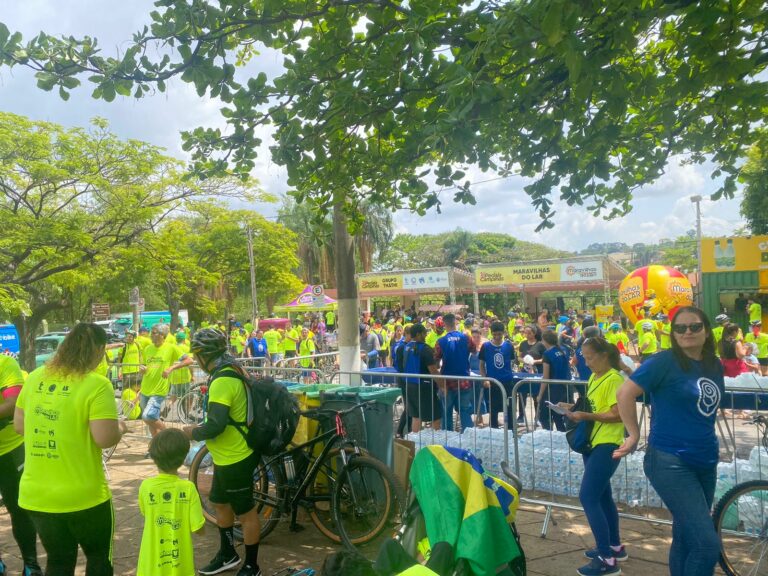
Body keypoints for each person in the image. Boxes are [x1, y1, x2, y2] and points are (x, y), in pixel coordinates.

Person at [614, 306, 724, 576]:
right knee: (707, 545)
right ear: (672, 333)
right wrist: (634, 433)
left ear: (706, 331)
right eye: (680, 328)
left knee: (687, 536)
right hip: (669, 461)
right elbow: (625, 393)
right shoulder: (664, 362)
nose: (687, 332)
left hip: (705, 459)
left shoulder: (713, 363)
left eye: (695, 327)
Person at [14, 323, 124, 576]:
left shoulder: (35, 377)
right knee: (98, 560)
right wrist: (121, 428)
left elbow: (20, 426)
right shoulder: (97, 385)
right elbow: (104, 438)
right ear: (97, 350)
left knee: (59, 562)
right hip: (84, 496)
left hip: (37, 495)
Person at [183, 329, 262, 576]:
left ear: (205, 355)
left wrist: (191, 432)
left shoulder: (223, 380)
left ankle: (252, 565)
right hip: (225, 455)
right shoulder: (229, 369)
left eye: (197, 357)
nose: (196, 361)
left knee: (246, 513)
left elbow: (215, 425)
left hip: (236, 456)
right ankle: (228, 554)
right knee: (219, 502)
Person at [562, 337, 627, 576]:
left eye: (589, 357)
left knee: (588, 496)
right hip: (593, 443)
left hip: (607, 444)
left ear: (603, 355)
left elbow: (617, 414)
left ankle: (606, 558)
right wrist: (571, 408)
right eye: (584, 358)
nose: (586, 363)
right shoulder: (594, 377)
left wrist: (585, 417)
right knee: (602, 496)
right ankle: (614, 546)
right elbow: (593, 407)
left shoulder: (615, 379)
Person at [137, 428, 205, 576]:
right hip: (180, 566)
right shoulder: (188, 488)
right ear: (184, 456)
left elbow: (145, 512)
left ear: (154, 457)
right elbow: (198, 528)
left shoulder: (146, 487)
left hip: (150, 565)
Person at [0, 354, 42, 575]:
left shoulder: (5, 363)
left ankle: (30, 564)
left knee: (19, 509)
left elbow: (12, 402)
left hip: (10, 451)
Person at [139, 324, 193, 442]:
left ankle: (173, 437)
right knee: (151, 420)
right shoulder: (148, 349)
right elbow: (145, 366)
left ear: (162, 335)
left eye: (154, 333)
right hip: (145, 389)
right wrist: (142, 369)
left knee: (147, 416)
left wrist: (171, 368)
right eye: (151, 332)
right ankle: (156, 444)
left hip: (159, 390)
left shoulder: (171, 348)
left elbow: (189, 360)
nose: (151, 335)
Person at [434, 314, 476, 431]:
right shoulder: (466, 338)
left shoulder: (441, 341)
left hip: (447, 382)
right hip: (464, 380)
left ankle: (448, 441)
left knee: (446, 412)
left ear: (444, 324)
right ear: (455, 322)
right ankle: (469, 437)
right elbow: (474, 350)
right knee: (464, 411)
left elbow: (436, 360)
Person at [403, 324, 442, 433]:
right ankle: (436, 444)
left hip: (409, 385)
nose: (426, 335)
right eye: (424, 333)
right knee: (436, 416)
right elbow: (433, 370)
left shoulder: (406, 347)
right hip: (423, 387)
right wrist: (442, 385)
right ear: (419, 334)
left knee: (416, 417)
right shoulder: (425, 349)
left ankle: (415, 444)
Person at [479, 321, 516, 429]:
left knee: (509, 407)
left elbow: (512, 362)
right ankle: (494, 430)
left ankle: (511, 430)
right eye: (494, 334)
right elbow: (481, 364)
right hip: (493, 382)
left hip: (507, 381)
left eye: (499, 334)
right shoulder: (485, 346)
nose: (497, 337)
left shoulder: (509, 346)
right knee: (493, 409)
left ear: (503, 333)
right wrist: (484, 378)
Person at [537, 330, 572, 431]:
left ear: (544, 341)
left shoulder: (547, 354)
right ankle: (562, 437)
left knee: (544, 417)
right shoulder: (563, 350)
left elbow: (546, 377)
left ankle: (548, 436)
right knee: (559, 417)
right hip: (565, 388)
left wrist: (540, 395)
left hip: (553, 390)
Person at [518, 325, 546, 423]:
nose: (527, 335)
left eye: (529, 333)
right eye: (525, 333)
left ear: (534, 333)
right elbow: (519, 357)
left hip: (537, 372)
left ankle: (537, 416)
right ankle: (521, 416)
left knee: (536, 395)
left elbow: (544, 359)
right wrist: (524, 360)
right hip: (525, 372)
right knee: (522, 393)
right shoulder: (523, 344)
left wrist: (534, 361)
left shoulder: (540, 345)